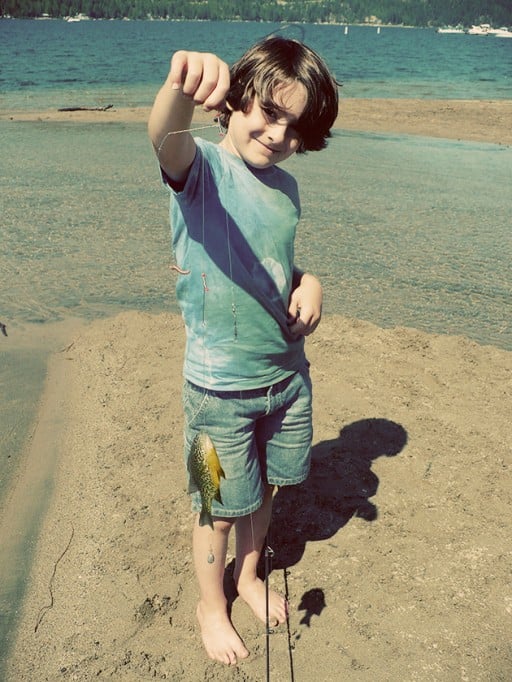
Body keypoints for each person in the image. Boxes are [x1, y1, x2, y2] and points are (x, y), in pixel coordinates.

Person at [148, 35, 338, 666]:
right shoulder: (200, 170)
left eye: (295, 124)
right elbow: (163, 138)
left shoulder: (286, 189)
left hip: (286, 377)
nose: (278, 132)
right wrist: (180, 88)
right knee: (215, 504)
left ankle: (249, 577)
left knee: (265, 492)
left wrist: (309, 281)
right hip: (216, 392)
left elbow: (275, 263)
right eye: (267, 112)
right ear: (233, 101)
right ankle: (211, 604)